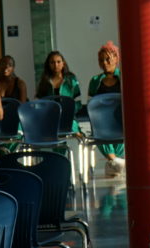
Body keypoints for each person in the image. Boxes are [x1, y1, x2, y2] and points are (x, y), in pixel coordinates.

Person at [87, 41, 125, 177]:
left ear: (116, 59)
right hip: (102, 121)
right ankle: (114, 160)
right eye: (101, 60)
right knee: (97, 125)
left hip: (120, 117)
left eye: (108, 59)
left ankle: (113, 162)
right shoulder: (95, 80)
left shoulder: (124, 77)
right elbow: (91, 103)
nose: (105, 62)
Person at [35, 51, 81, 134]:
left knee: (74, 131)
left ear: (63, 63)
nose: (56, 65)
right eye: (52, 62)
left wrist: (69, 113)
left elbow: (78, 102)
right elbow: (38, 102)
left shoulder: (71, 80)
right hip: (49, 118)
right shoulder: (44, 81)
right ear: (48, 65)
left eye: (58, 62)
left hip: (69, 118)